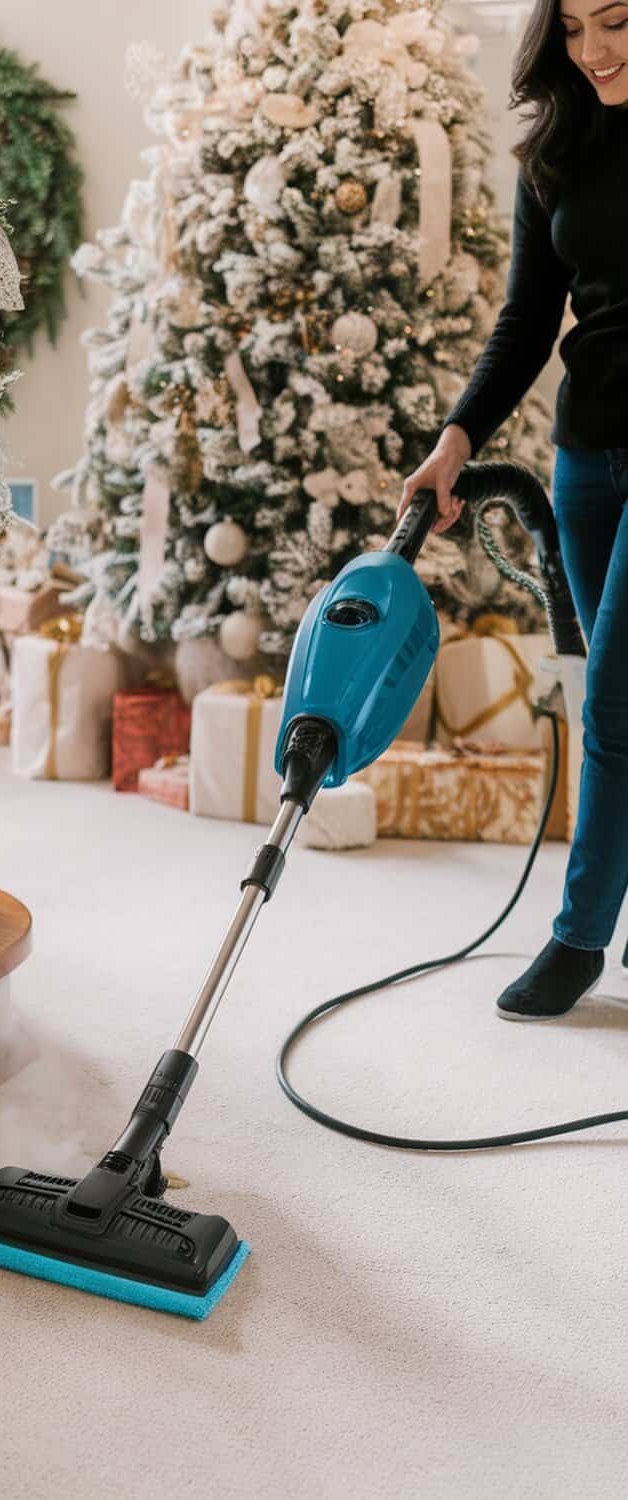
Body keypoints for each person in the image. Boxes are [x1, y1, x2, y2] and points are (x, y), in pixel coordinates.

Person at [396, 0, 628, 1020]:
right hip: (585, 459)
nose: (594, 51)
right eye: (574, 29)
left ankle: (577, 937)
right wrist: (455, 441)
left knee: (614, 705)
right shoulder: (556, 149)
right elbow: (527, 319)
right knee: (615, 705)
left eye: (616, 22)